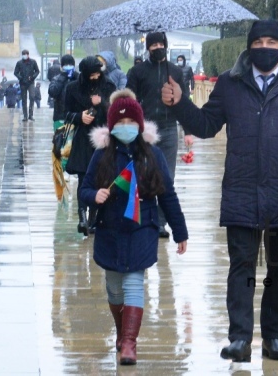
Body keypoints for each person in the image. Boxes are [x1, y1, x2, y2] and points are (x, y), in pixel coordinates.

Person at [161, 19, 278, 363]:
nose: (265, 47)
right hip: (241, 191)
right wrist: (180, 104)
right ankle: (240, 339)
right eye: (258, 41)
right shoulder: (230, 84)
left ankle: (273, 337)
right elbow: (206, 125)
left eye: (272, 41)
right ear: (249, 47)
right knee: (241, 267)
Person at [80, 89, 188, 366]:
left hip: (143, 227)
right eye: (120, 123)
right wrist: (95, 195)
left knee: (134, 281)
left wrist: (180, 231)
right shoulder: (101, 155)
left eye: (131, 124)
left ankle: (129, 343)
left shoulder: (152, 155)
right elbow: (85, 189)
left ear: (140, 126)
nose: (125, 128)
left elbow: (168, 195)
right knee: (114, 287)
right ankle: (121, 332)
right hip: (109, 228)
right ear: (112, 125)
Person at [126, 32, 193, 238]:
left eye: (159, 44)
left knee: (167, 178)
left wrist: (188, 131)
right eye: (152, 45)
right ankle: (144, 218)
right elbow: (129, 99)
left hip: (169, 129)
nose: (157, 47)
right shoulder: (137, 71)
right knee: (143, 175)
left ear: (165, 45)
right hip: (145, 130)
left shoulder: (175, 72)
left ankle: (162, 223)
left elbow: (184, 103)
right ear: (148, 48)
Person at [64, 57, 116, 236]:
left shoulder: (108, 86)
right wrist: (80, 117)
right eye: (91, 75)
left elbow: (114, 111)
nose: (95, 78)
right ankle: (82, 216)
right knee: (84, 177)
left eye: (97, 74)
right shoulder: (72, 88)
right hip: (83, 139)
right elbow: (66, 113)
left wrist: (100, 103)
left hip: (102, 138)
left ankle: (94, 217)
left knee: (101, 178)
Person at [48, 54, 78, 130]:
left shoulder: (78, 78)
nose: (68, 66)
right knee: (60, 139)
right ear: (61, 66)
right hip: (60, 116)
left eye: (70, 64)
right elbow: (52, 92)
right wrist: (63, 77)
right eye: (65, 64)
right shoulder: (57, 79)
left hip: (76, 116)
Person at [13, 49, 40, 121]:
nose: (25, 56)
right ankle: (25, 115)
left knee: (32, 97)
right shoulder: (19, 63)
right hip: (23, 83)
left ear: (28, 55)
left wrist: (33, 77)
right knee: (24, 99)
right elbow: (15, 72)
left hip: (30, 82)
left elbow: (37, 71)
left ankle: (31, 115)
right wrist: (20, 78)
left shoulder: (33, 62)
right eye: (23, 54)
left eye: (26, 54)